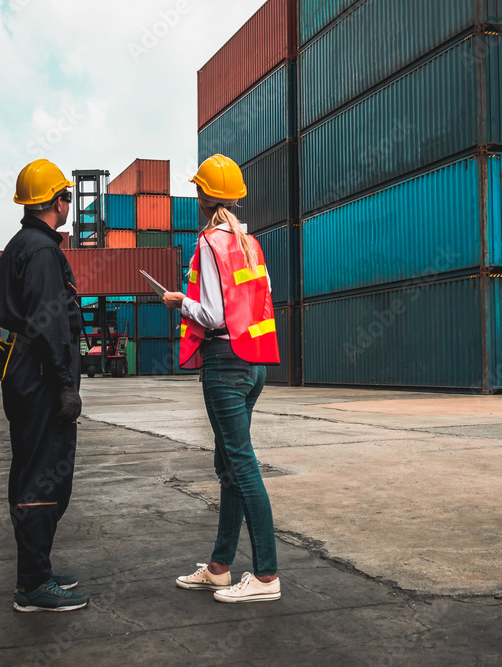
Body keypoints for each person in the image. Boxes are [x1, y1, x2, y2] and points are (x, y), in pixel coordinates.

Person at [163, 154, 282, 603]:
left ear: (202, 196)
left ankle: (267, 576)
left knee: (242, 466)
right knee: (231, 467)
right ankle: (219, 568)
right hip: (254, 365)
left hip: (225, 362)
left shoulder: (210, 243)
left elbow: (212, 313)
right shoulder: (250, 243)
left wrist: (179, 302)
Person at [0, 158, 87, 612]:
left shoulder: (18, 246)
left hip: (25, 376)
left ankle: (38, 571)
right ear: (55, 201)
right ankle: (33, 585)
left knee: (31, 470)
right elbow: (50, 325)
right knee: (46, 477)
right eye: (65, 195)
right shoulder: (43, 251)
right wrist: (66, 387)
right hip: (43, 380)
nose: (67, 202)